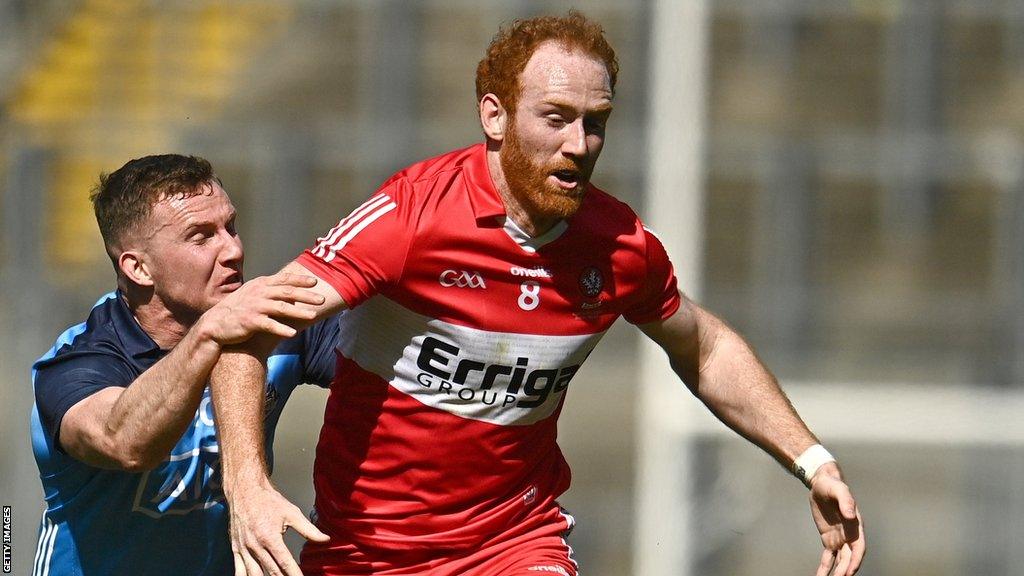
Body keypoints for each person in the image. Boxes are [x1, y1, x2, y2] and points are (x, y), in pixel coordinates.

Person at [213, 12, 866, 576]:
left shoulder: (619, 247)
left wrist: (811, 460)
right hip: (367, 551)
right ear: (493, 115)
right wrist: (248, 484)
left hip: (514, 542)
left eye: (596, 123)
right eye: (555, 118)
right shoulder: (412, 217)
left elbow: (707, 346)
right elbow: (246, 330)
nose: (579, 145)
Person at [29, 154, 338, 576]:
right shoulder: (77, 362)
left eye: (231, 227)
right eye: (201, 236)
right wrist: (209, 334)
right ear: (138, 268)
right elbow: (126, 443)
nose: (233, 250)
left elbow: (393, 366)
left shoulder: (272, 323)